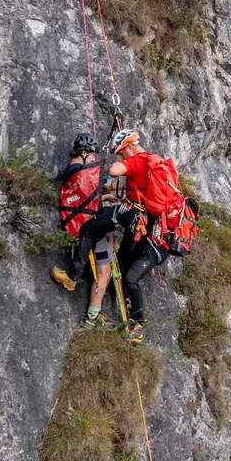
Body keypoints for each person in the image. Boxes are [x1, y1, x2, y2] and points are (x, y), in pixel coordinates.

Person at [104, 128, 169, 344]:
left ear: (130, 148)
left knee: (131, 277)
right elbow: (125, 188)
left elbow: (115, 172)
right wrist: (110, 194)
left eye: (123, 153)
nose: (122, 157)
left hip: (156, 244)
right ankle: (119, 288)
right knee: (123, 260)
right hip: (145, 236)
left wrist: (126, 164)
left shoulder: (141, 165)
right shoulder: (147, 177)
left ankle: (138, 326)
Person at [50, 133, 120, 329]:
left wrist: (105, 198)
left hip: (86, 222)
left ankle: (93, 316)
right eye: (92, 155)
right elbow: (86, 193)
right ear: (83, 153)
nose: (95, 160)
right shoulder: (79, 172)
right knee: (103, 270)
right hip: (90, 225)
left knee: (104, 270)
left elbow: (84, 196)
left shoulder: (71, 173)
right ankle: (92, 315)